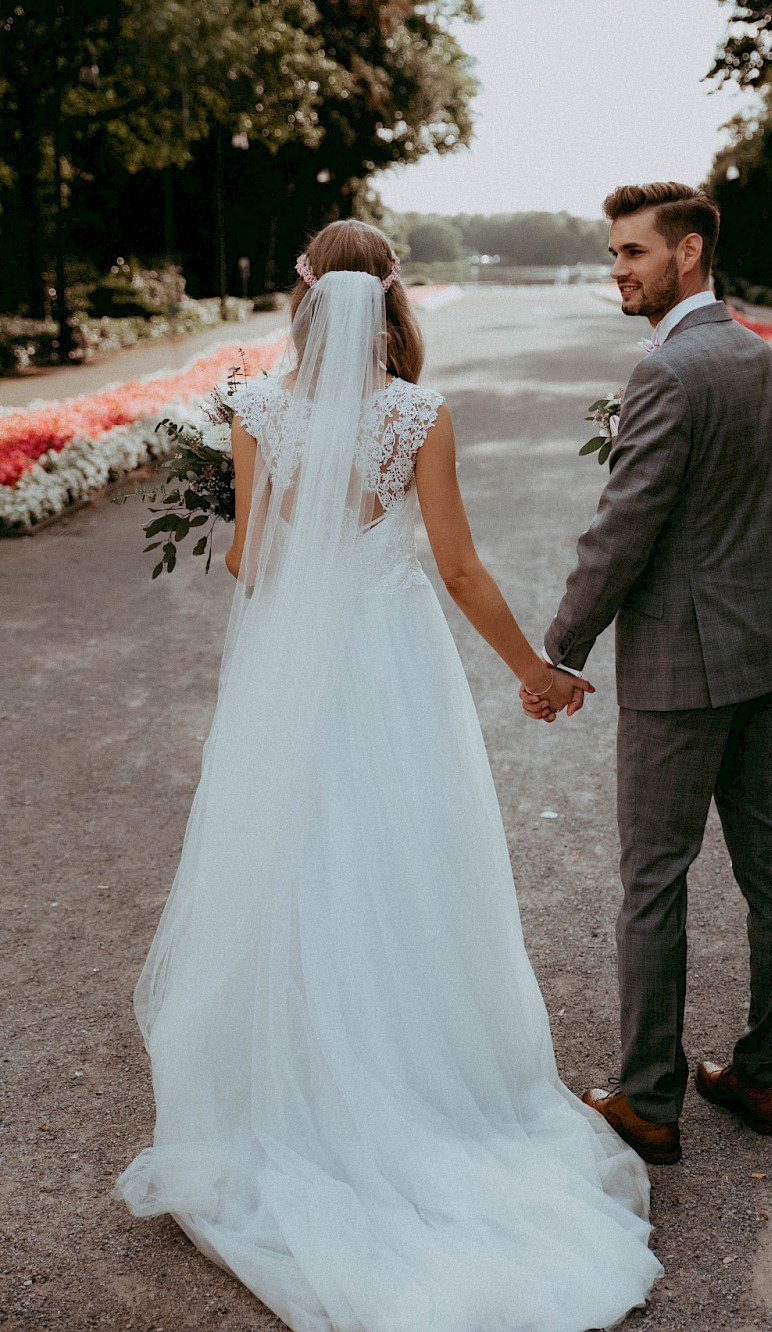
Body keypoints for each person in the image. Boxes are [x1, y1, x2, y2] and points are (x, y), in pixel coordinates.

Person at [115, 219, 661, 1332]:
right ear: (393, 299)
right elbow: (456, 566)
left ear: (305, 296)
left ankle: (299, 1079)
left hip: (296, 662)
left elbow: (249, 562)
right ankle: (423, 1074)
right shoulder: (417, 412)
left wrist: (274, 524)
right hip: (391, 656)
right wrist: (535, 671)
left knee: (291, 849)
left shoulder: (260, 407)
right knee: (405, 852)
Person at [522, 182, 772, 1166]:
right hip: (767, 650)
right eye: (612, 254)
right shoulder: (759, 360)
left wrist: (559, 651)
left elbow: (621, 534)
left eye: (632, 253)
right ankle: (762, 1074)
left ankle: (650, 1099)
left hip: (682, 673)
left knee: (654, 880)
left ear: (686, 253)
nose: (618, 270)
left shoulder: (668, 373)